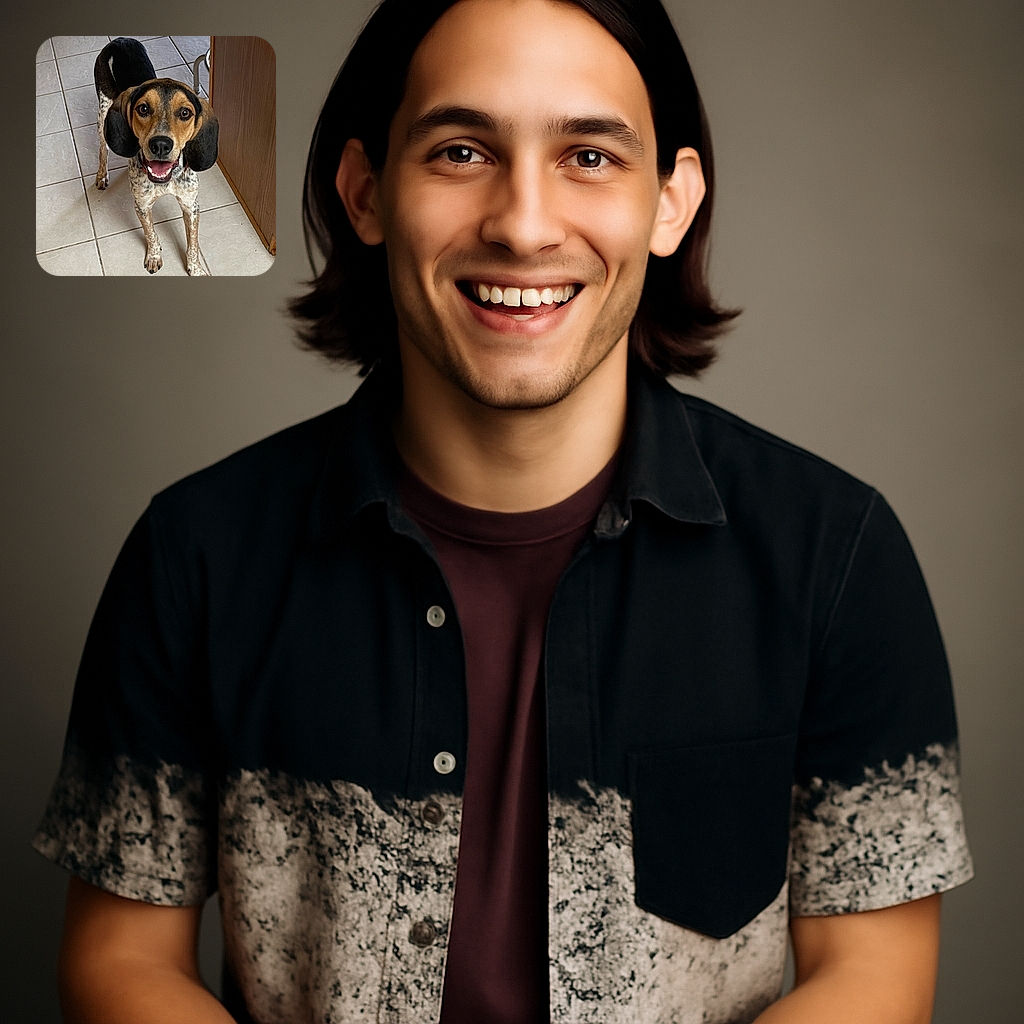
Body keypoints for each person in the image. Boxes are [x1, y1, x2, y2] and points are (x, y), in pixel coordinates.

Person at [36, 1, 974, 1022]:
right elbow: (122, 960)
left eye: (589, 157)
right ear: (365, 191)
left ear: (671, 203)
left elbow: (873, 977)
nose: (523, 225)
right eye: (460, 149)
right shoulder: (195, 554)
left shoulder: (833, 559)